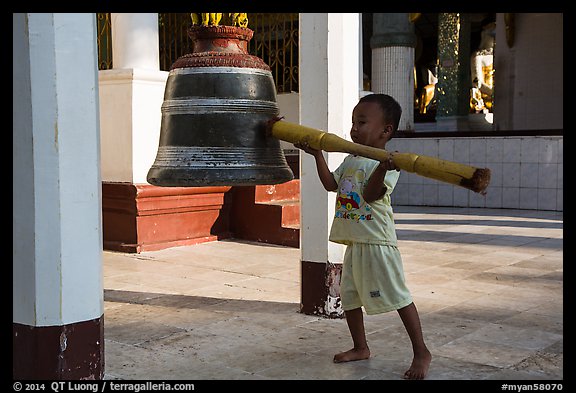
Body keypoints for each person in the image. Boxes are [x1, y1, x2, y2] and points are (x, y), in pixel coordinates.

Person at [295, 93, 431, 380]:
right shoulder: (351, 158)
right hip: (355, 241)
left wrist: (382, 168)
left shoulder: (390, 163)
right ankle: (360, 347)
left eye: (362, 122)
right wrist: (317, 154)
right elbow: (332, 184)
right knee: (351, 298)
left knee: (398, 296)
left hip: (377, 243)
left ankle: (421, 351)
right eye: (353, 122)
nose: (354, 129)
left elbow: (370, 195)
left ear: (386, 131)